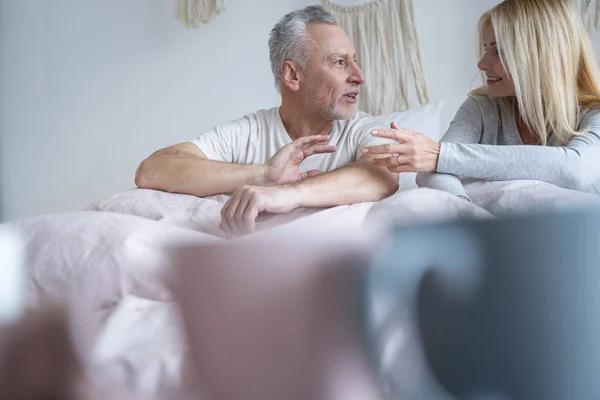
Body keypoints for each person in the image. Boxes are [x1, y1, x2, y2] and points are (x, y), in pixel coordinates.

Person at [135, 5, 398, 237]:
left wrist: (287, 193)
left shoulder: (363, 129)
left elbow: (382, 175)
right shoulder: (251, 131)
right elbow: (152, 171)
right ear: (293, 75)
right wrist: (262, 175)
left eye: (354, 61)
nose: (359, 76)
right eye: (340, 62)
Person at [362, 0, 600, 200]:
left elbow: (574, 170)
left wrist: (442, 156)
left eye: (499, 51)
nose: (482, 64)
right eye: (486, 48)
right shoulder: (482, 106)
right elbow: (430, 172)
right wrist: (471, 218)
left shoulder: (593, 113)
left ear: (541, 56)